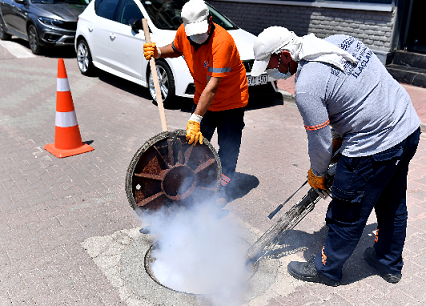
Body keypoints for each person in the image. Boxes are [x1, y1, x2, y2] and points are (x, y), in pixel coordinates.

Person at [251, 26, 421, 286]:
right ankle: (388, 262)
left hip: (374, 144)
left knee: (347, 209)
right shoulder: (340, 42)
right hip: (406, 127)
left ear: (285, 55)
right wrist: (341, 133)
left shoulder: (307, 86)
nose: (270, 71)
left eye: (270, 64)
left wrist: (318, 173)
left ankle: (326, 270)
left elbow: (319, 144)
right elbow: (357, 90)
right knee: (392, 201)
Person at [143, 0, 248, 207]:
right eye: (193, 34)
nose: (197, 38)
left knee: (228, 150)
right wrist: (158, 52)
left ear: (210, 21)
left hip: (231, 102)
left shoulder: (222, 41)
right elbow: (175, 48)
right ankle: (190, 186)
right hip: (204, 100)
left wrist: (195, 119)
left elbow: (213, 86)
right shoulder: (185, 32)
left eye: (201, 32)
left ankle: (221, 191)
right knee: (192, 148)